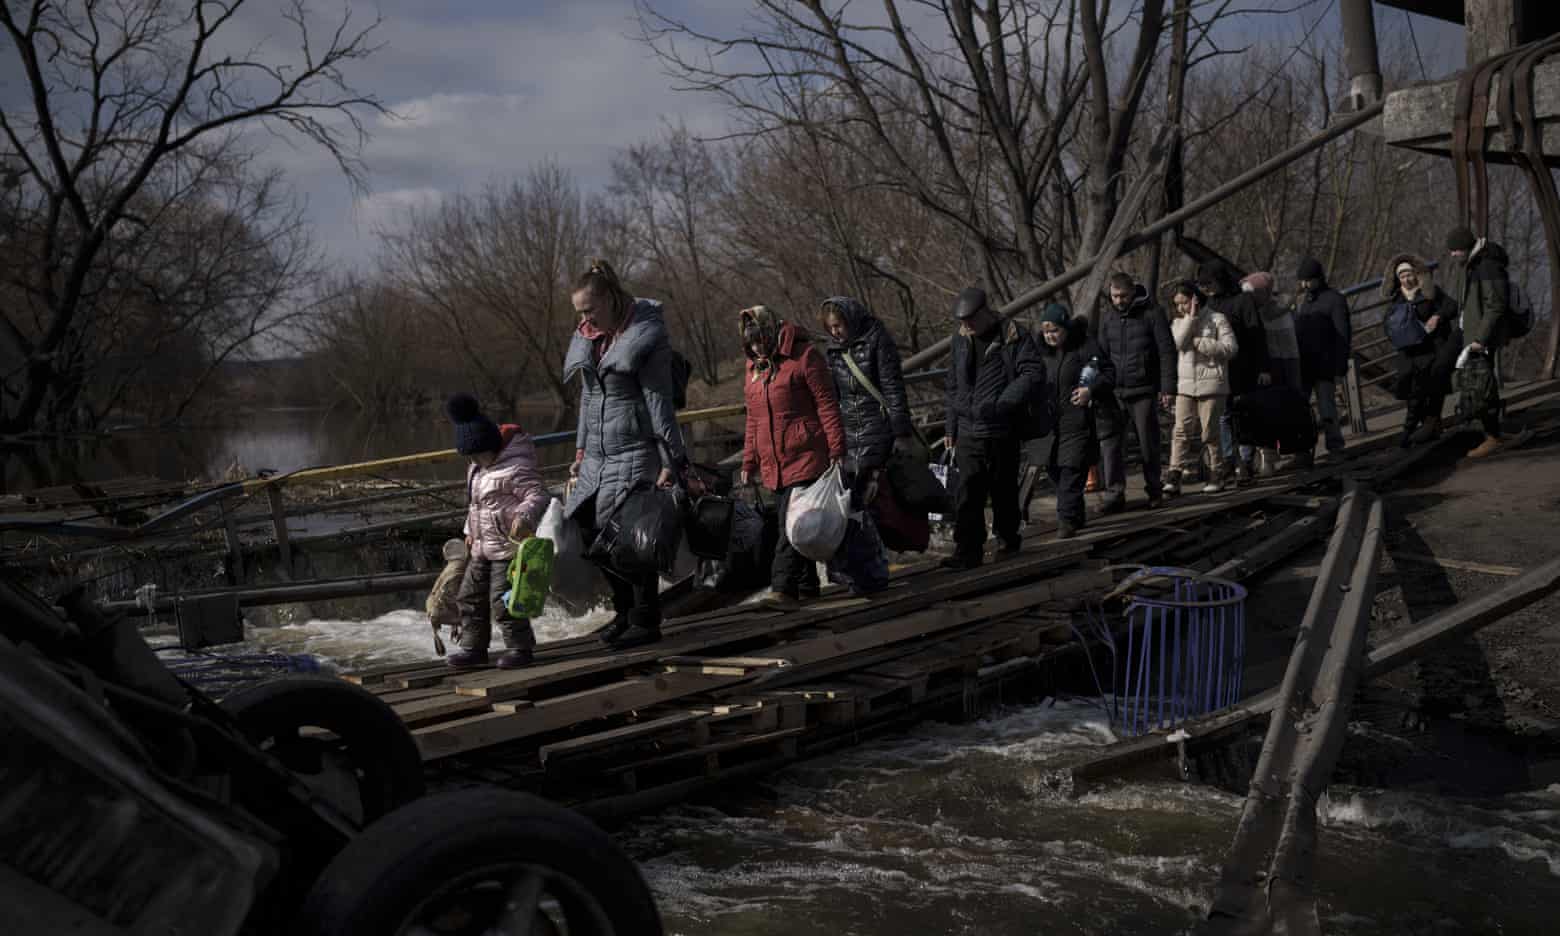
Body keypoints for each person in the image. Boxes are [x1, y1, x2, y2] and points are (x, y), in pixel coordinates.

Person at [564, 259, 701, 649]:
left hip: (636, 451)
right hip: (597, 456)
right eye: (579, 312)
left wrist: (673, 461)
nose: (585, 319)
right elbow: (587, 399)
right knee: (591, 532)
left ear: (609, 299)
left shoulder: (646, 335)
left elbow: (660, 403)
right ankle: (623, 613)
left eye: (589, 309)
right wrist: (579, 448)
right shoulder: (592, 337)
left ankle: (645, 619)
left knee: (631, 539)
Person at [738, 305, 848, 606]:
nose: (758, 347)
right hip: (774, 462)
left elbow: (827, 404)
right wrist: (749, 461)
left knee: (791, 526)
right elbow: (753, 420)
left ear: (772, 331)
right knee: (793, 524)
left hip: (805, 454)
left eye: (762, 339)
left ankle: (782, 587)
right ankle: (807, 587)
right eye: (752, 343)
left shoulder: (804, 357)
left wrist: (837, 448)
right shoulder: (754, 370)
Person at [444, 394, 551, 669]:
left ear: (491, 446)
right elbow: (475, 506)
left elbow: (538, 494)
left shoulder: (516, 468)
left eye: (479, 455)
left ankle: (520, 647)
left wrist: (524, 516)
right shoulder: (476, 471)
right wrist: (470, 531)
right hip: (481, 547)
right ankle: (473, 647)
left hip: (508, 547)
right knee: (468, 596)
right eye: (471, 457)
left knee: (504, 600)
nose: (476, 461)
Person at [941, 286, 1045, 569]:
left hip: (1001, 427)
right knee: (968, 490)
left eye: (970, 320)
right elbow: (952, 383)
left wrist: (1003, 403)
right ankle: (967, 550)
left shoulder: (1013, 335)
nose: (966, 327)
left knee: (1003, 487)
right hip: (968, 427)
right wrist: (951, 424)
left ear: (985, 312)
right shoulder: (960, 340)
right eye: (962, 322)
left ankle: (1007, 537)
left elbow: (1032, 373)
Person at [817, 295, 915, 501]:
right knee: (858, 499)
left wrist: (901, 432)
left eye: (838, 326)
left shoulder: (877, 339)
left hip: (879, 427)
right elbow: (834, 396)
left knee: (882, 495)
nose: (835, 332)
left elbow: (893, 387)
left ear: (850, 320)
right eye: (830, 328)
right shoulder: (834, 349)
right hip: (850, 432)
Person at [1094, 272, 1174, 512]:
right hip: (1115, 392)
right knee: (1111, 444)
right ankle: (1114, 494)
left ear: (1132, 292)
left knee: (1147, 443)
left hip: (1143, 390)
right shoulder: (1107, 318)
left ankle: (1154, 491)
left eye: (1123, 296)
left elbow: (1166, 352)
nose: (1119, 300)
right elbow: (1101, 355)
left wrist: (1168, 388)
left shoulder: (1152, 313)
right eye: (1114, 296)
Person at [1036, 304, 1115, 538]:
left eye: (1055, 331)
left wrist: (1091, 390)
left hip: (1078, 421)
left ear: (1066, 329)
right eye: (1046, 332)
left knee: (1071, 470)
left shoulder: (1084, 347)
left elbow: (1108, 373)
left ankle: (1066, 521)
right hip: (1050, 425)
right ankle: (1076, 515)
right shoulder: (1041, 353)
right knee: (1055, 471)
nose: (1050, 336)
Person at [1198, 261, 1271, 484]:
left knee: (1244, 414)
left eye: (1210, 283)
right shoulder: (1208, 305)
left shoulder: (1243, 300)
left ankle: (1246, 462)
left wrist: (1264, 367)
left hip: (1244, 367)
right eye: (1203, 285)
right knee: (1223, 417)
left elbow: (1257, 336)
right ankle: (1229, 459)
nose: (1206, 288)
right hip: (1219, 370)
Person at [1445, 226, 1513, 457]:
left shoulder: (1487, 266)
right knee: (1481, 384)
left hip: (1481, 338)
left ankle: (1493, 437)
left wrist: (1479, 340)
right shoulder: (1473, 265)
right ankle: (1494, 434)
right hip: (1472, 334)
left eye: (1455, 250)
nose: (1452, 255)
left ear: (1465, 248)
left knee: (1482, 386)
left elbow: (1496, 305)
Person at [1165, 281, 1237, 496]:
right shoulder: (1179, 322)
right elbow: (1176, 344)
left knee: (1210, 432)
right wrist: (1191, 319)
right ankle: (1174, 474)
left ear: (1195, 298)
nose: (1181, 308)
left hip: (1212, 384)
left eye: (1184, 302)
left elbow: (1231, 348)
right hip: (1185, 384)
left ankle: (1217, 472)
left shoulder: (1217, 319)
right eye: (1177, 304)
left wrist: (1201, 343)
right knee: (1180, 431)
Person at [1381, 253, 1460, 448]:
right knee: (1413, 391)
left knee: (1430, 388)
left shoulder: (1430, 292)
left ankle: (1419, 429)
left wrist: (1437, 317)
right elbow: (1389, 324)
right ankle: (1415, 429)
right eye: (1402, 276)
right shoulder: (1396, 299)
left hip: (1431, 349)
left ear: (1416, 274)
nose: (1407, 279)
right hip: (1409, 352)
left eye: (1409, 274)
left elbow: (1452, 307)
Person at [1292, 257, 1352, 465]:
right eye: (1302, 281)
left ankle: (1335, 447)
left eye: (1308, 280)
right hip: (1304, 365)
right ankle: (1302, 451)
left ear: (1318, 278)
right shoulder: (1302, 302)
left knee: (1327, 409)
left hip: (1325, 364)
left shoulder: (1334, 300)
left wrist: (1340, 366)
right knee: (1299, 410)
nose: (1304, 285)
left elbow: (1343, 335)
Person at [1242, 271, 1301, 474]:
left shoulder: (1271, 308)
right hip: (1271, 364)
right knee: (1271, 410)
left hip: (1284, 362)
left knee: (1289, 406)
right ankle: (1272, 456)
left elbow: (1275, 312)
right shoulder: (1256, 309)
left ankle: (1295, 451)